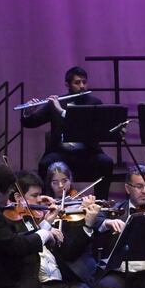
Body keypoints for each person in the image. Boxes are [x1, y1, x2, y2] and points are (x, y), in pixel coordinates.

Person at [21, 66, 114, 200]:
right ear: (67, 85)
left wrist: (61, 111)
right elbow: (31, 123)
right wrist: (28, 113)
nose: (82, 86)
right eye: (77, 82)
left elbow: (89, 126)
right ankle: (47, 202)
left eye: (84, 82)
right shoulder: (57, 102)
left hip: (87, 152)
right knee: (44, 164)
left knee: (106, 162)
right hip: (61, 152)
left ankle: (101, 202)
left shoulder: (94, 103)